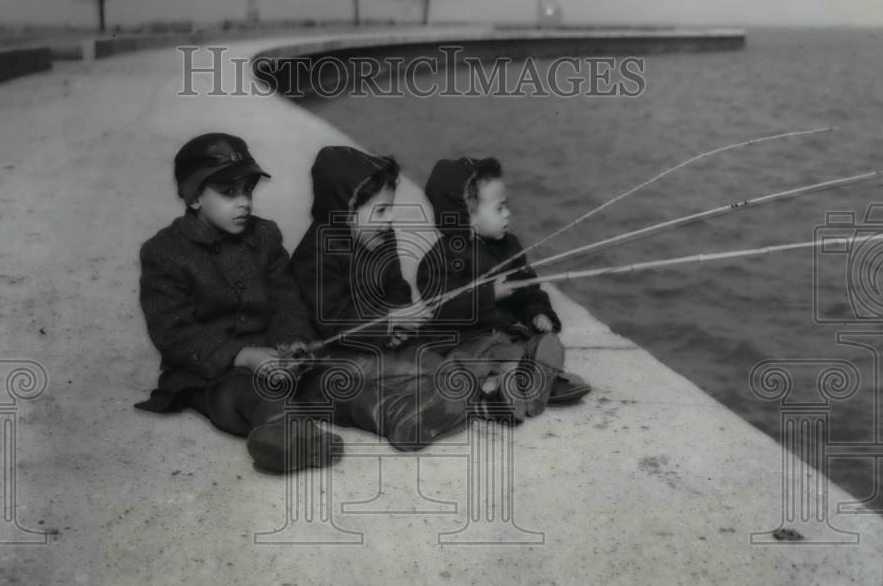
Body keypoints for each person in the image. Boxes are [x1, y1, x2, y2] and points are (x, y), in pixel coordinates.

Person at [135, 132, 342, 473]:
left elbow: (286, 299)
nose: (244, 201)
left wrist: (292, 341)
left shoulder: (264, 236)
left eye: (248, 190)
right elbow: (173, 334)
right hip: (210, 372)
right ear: (194, 197)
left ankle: (391, 410)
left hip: (273, 356)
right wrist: (243, 355)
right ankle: (287, 438)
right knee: (246, 393)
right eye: (229, 192)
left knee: (327, 377)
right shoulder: (164, 254)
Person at [289, 145, 470, 450]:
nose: (388, 220)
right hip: (329, 357)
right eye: (380, 210)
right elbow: (332, 323)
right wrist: (390, 322)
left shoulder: (382, 237)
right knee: (348, 390)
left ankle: (442, 396)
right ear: (344, 208)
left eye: (390, 209)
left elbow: (396, 288)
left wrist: (399, 325)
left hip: (376, 344)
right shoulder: (315, 255)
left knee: (432, 360)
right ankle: (400, 416)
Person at [417, 156, 591, 421]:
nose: (508, 213)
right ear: (468, 216)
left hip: (506, 333)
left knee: (527, 344)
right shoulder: (438, 260)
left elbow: (528, 288)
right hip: (466, 338)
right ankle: (514, 390)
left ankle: (524, 383)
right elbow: (442, 308)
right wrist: (489, 295)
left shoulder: (509, 245)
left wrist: (537, 312)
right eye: (499, 208)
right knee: (479, 361)